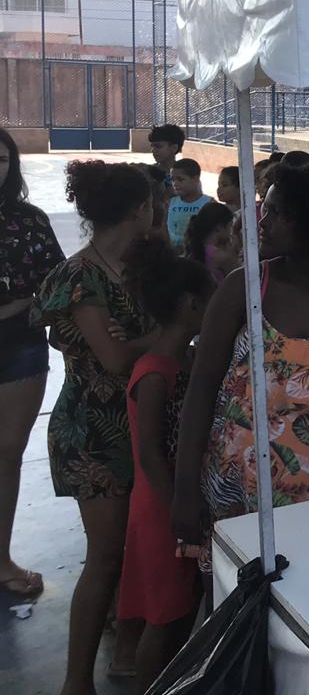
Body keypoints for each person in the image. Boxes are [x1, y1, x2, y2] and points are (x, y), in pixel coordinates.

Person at [172, 165, 309, 555]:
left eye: (276, 212)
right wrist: (185, 488)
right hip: (233, 483)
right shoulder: (244, 288)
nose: (262, 221)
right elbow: (202, 388)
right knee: (230, 587)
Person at [33, 161, 157, 695]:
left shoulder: (136, 267)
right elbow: (114, 358)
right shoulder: (81, 276)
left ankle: (125, 650)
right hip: (93, 431)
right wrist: (170, 333)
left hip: (137, 422)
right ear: (138, 209)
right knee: (105, 556)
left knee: (135, 547)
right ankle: (76, 680)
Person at [117, 238, 213, 692]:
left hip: (178, 504)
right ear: (192, 304)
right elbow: (150, 454)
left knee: (181, 608)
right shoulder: (155, 372)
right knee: (163, 616)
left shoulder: (186, 361)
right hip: (163, 510)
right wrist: (180, 506)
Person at [0, 128, 65, 599]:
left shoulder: (30, 220)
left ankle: (1, 558)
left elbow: (56, 286)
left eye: (2, 160)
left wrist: (22, 307)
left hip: (20, 348)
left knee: (7, 454)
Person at [184, 201, 238, 285]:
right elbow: (241, 280)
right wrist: (233, 254)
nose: (231, 231)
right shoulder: (221, 257)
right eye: (230, 226)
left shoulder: (195, 248)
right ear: (219, 227)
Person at [166, 158, 212, 248]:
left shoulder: (208, 203)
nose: (175, 183)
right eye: (173, 180)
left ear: (195, 179)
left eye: (180, 179)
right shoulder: (169, 204)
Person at [148, 124, 184, 189]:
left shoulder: (186, 174)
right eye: (152, 146)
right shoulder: (148, 173)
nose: (153, 150)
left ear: (174, 148)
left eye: (158, 146)